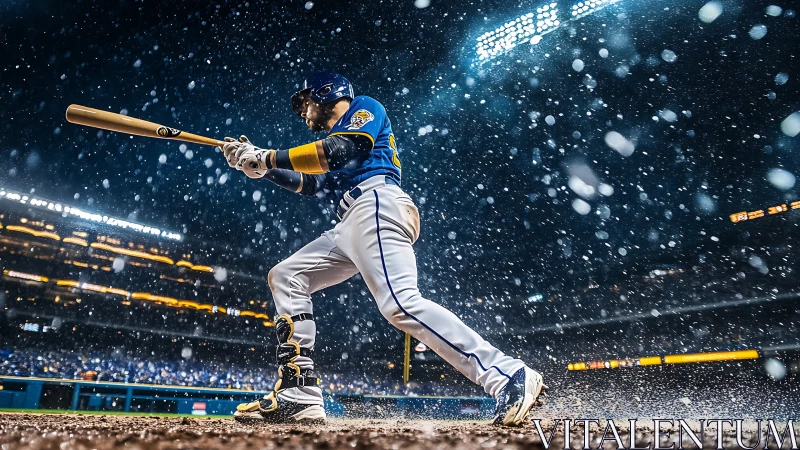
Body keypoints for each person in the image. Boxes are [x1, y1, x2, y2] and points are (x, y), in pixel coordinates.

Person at [223, 72, 547, 426]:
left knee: (400, 304)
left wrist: (267, 157)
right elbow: (311, 183)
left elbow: (338, 151)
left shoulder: (364, 108)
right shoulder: (331, 145)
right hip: (351, 219)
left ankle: (507, 374)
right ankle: (299, 394)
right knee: (286, 276)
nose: (303, 113)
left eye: (305, 103)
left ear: (326, 92)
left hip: (375, 203)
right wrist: (257, 167)